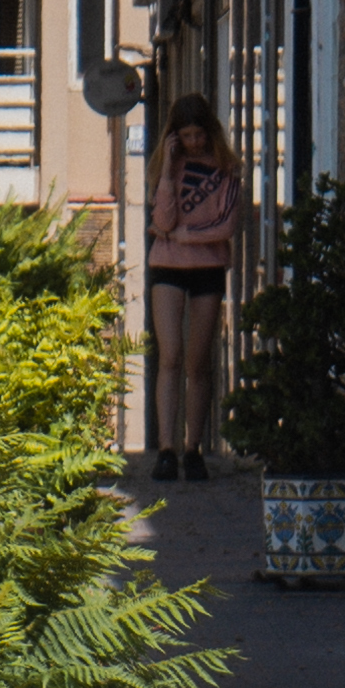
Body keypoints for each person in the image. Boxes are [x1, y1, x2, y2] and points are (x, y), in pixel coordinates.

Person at [146, 90, 242, 481]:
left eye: (199, 134)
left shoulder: (226, 170)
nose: (194, 143)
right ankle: (166, 449)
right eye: (185, 136)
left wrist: (187, 236)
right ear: (174, 136)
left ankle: (193, 448)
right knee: (170, 356)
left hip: (207, 268)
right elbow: (163, 222)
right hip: (166, 266)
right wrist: (169, 171)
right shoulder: (165, 167)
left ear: (210, 131)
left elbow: (228, 224)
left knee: (199, 361)